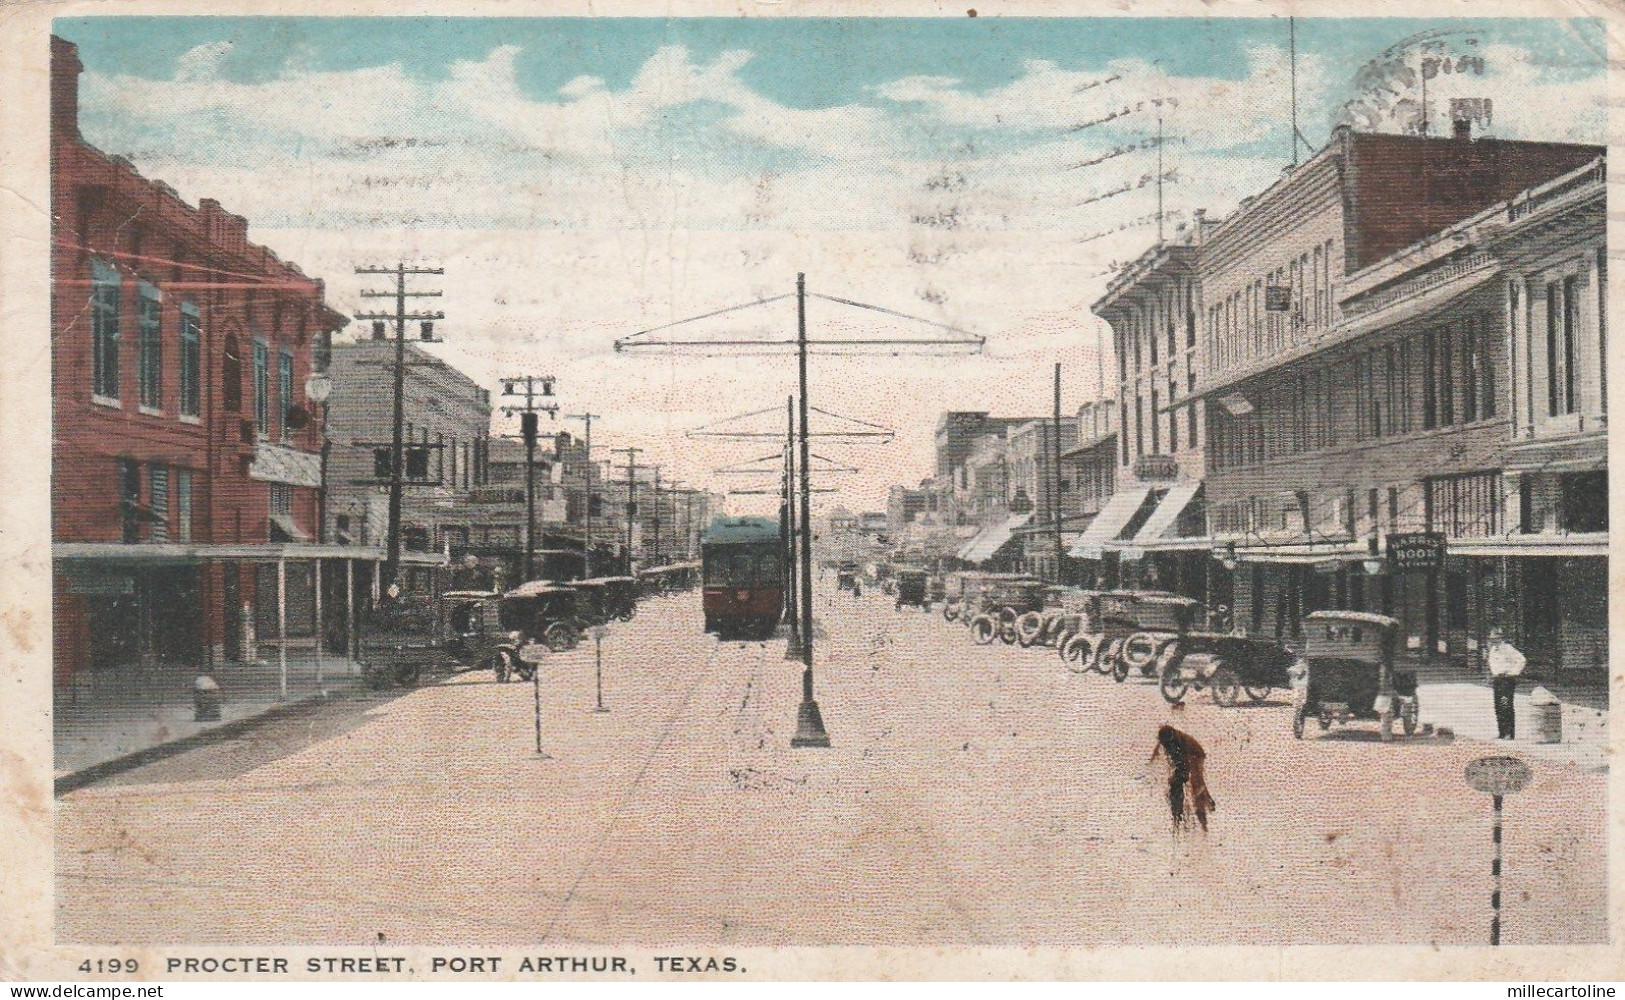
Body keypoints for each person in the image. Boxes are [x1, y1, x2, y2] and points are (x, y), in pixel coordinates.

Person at [1151, 725, 1216, 831]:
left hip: (1195, 755)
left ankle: (1206, 806)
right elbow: (1158, 748)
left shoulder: (1184, 743)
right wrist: (1152, 761)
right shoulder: (1167, 739)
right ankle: (1183, 815)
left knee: (1197, 785)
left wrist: (1183, 774)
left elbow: (1188, 764)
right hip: (1186, 757)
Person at [1486, 627, 1526, 740]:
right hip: (1497, 680)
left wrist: (1513, 673)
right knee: (1498, 706)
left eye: (1495, 638)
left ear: (1501, 638)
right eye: (1492, 639)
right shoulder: (1493, 650)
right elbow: (1492, 664)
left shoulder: (1507, 648)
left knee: (1505, 705)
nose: (1493, 640)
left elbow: (1521, 660)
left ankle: (1509, 733)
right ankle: (1502, 732)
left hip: (1506, 681)